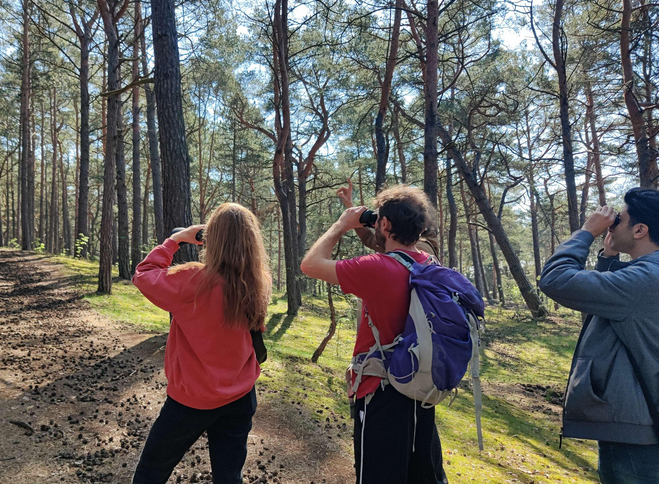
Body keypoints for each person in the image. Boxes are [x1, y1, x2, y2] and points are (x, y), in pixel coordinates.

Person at [301, 184, 446, 484]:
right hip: (422, 391)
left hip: (382, 395)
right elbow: (381, 243)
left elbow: (310, 264)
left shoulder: (378, 268)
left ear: (385, 224)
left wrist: (341, 224)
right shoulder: (431, 266)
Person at [539, 187, 659, 484]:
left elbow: (555, 280)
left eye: (619, 218)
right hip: (655, 416)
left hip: (633, 423)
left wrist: (585, 232)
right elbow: (618, 303)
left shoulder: (645, 280)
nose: (611, 222)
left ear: (640, 229)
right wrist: (608, 257)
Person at [131, 203, 271, 484]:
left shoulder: (192, 280)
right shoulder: (258, 282)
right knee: (229, 476)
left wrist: (175, 240)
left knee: (151, 472)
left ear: (210, 239)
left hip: (190, 401)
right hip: (240, 395)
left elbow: (144, 274)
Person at [336, 177, 440, 258]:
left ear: (386, 224)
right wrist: (350, 205)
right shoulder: (405, 243)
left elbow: (319, 263)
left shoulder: (414, 250)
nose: (376, 222)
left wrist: (340, 224)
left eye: (379, 218)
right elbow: (368, 238)